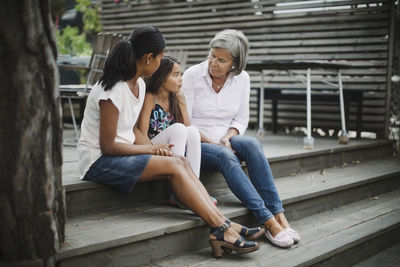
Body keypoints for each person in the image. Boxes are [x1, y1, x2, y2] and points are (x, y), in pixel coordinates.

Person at [77, 26, 261, 258]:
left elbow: (132, 129)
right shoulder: (112, 90)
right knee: (175, 165)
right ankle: (222, 229)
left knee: (181, 161)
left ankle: (224, 224)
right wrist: (151, 149)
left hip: (123, 153)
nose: (161, 63)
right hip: (99, 161)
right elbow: (107, 146)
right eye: (161, 58)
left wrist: (152, 151)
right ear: (148, 58)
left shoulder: (139, 84)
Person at [182, 29, 301, 248]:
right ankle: (268, 222)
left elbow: (241, 119)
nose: (213, 63)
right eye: (212, 56)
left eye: (221, 60)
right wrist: (214, 143)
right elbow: (185, 123)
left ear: (235, 64)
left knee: (252, 144)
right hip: (197, 143)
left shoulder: (242, 78)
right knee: (226, 156)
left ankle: (280, 215)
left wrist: (228, 137)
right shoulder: (192, 75)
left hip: (224, 139)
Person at [137, 56, 217, 208]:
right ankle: (178, 190)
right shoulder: (150, 97)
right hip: (152, 146)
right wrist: (153, 148)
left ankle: (193, 189)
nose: (181, 79)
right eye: (175, 75)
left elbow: (190, 130)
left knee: (191, 130)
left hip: (172, 147)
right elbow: (141, 133)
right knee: (179, 128)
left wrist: (213, 142)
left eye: (181, 74)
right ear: (161, 77)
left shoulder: (178, 97)